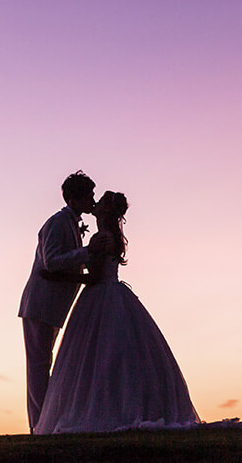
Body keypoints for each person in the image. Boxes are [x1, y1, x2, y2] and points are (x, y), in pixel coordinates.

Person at [33, 191, 202, 434]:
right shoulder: (106, 236)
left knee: (101, 357)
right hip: (108, 295)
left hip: (100, 296)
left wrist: (57, 276)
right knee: (107, 357)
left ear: (106, 211)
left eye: (99, 202)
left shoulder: (103, 238)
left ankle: (107, 410)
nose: (95, 203)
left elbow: (93, 277)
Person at [17, 171, 107, 433]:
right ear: (74, 198)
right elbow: (52, 261)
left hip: (52, 307)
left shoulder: (72, 223)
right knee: (38, 368)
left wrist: (84, 276)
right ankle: (38, 427)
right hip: (40, 305)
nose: (92, 199)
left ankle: (44, 424)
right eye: (88, 194)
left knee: (44, 365)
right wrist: (87, 253)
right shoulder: (57, 223)